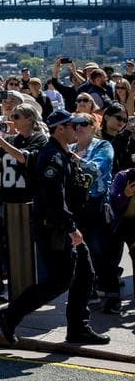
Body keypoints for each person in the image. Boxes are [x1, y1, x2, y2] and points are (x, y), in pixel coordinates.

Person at [0, 110, 110, 346]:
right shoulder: (53, 158)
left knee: (84, 275)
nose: (76, 130)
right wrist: (71, 228)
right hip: (55, 229)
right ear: (60, 129)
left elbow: (28, 160)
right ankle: (10, 315)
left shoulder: (59, 153)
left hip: (59, 226)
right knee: (60, 281)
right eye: (72, 126)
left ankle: (79, 328)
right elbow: (54, 199)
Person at [73, 113, 119, 314]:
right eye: (74, 124)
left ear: (94, 126)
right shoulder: (71, 148)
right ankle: (88, 292)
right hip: (78, 206)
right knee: (83, 253)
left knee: (102, 251)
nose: (78, 127)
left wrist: (72, 159)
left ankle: (111, 297)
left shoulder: (102, 146)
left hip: (98, 205)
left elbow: (97, 168)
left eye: (84, 123)